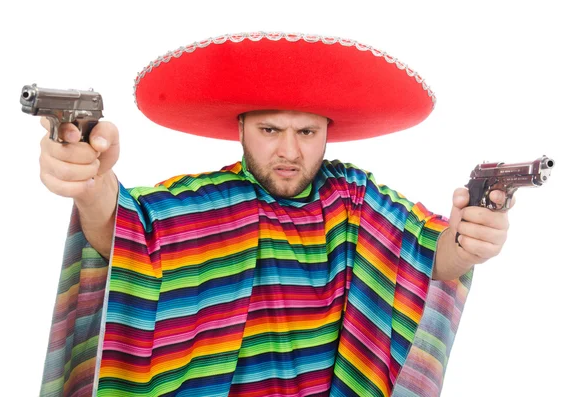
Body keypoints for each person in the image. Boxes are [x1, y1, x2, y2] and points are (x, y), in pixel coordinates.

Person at [36, 32, 510, 397]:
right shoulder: (204, 202)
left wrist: (470, 238)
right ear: (240, 126)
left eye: (306, 132)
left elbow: (433, 257)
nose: (288, 151)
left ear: (329, 132)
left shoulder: (355, 199)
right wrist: (90, 181)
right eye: (270, 129)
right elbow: (120, 232)